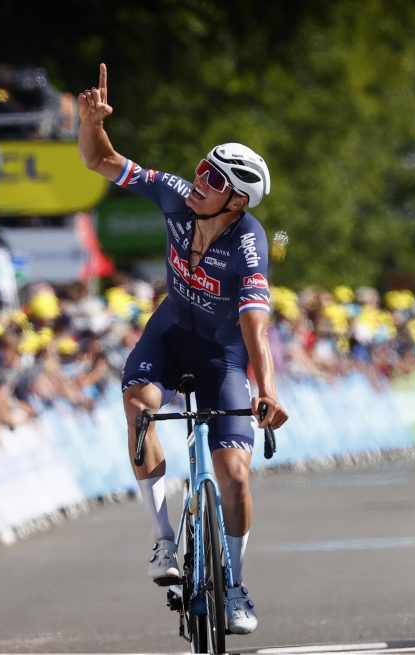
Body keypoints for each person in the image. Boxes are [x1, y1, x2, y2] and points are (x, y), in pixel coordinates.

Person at [77, 63, 288, 635]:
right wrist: (89, 122)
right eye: (202, 168)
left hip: (222, 356)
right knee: (141, 408)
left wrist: (266, 390)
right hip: (169, 335)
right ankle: (163, 540)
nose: (198, 181)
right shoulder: (174, 197)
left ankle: (237, 586)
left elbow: (255, 322)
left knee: (235, 475)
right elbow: (100, 160)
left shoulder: (249, 244)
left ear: (237, 202)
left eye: (214, 180)